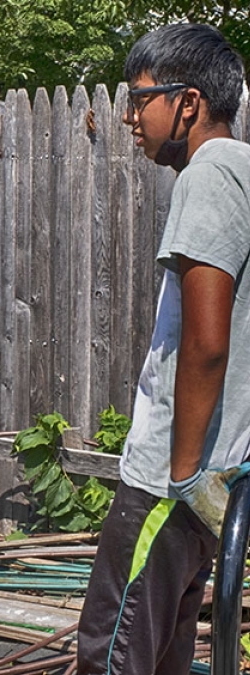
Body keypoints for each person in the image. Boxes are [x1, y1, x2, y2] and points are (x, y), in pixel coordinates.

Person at [76, 24, 250, 675]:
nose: (128, 116)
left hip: (166, 486)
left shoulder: (207, 179)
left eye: (139, 97)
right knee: (167, 657)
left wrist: (179, 474)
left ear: (189, 102)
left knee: (112, 655)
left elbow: (209, 342)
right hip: (212, 480)